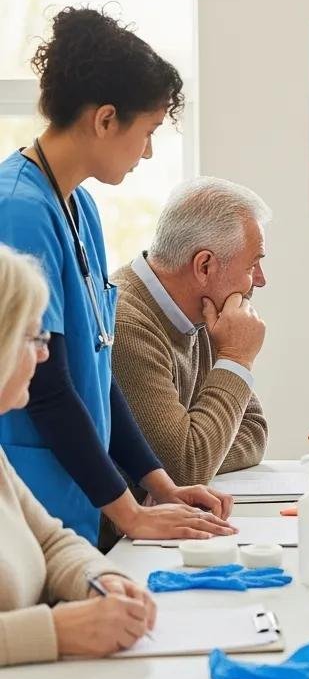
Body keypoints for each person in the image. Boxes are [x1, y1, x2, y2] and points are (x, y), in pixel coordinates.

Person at [0, 244, 238, 679]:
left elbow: (51, 539)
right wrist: (60, 631)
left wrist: (99, 578)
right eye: (33, 339)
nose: (48, 356)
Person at [0, 7, 235, 547]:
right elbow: (47, 385)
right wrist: (132, 514)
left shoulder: (78, 205)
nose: (148, 150)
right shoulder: (20, 211)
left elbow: (97, 368)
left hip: (77, 507)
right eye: (148, 130)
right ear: (106, 119)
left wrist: (161, 484)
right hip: (33, 509)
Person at [110, 176, 270, 487]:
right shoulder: (127, 323)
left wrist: (202, 450)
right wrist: (236, 358)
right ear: (204, 266)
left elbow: (254, 430)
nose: (261, 280)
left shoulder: (204, 312)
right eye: (253, 266)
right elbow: (185, 468)